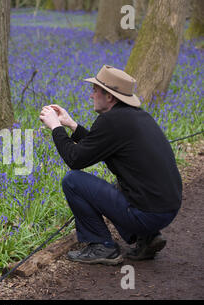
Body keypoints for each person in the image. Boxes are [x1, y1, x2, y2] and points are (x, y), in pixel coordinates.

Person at [39, 65, 182, 265]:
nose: (91, 96)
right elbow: (101, 146)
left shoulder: (111, 121)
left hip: (148, 214)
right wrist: (72, 125)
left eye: (95, 90)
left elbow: (75, 160)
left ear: (110, 97)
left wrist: (55, 127)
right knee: (118, 186)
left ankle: (102, 246)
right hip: (168, 208)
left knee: (73, 181)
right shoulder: (135, 116)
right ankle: (148, 237)